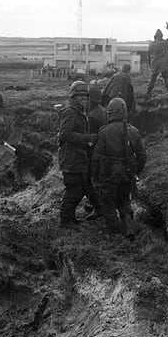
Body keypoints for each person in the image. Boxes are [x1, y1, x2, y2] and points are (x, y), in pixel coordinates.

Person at [91, 97, 146, 239]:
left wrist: (95, 176)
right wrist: (137, 171)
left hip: (108, 174)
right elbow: (141, 155)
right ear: (124, 113)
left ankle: (115, 233)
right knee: (124, 200)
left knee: (108, 203)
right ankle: (128, 228)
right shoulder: (133, 131)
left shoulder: (103, 131)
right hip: (127, 173)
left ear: (110, 113)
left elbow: (96, 157)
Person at [57, 80, 103, 229]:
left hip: (79, 157)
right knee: (74, 191)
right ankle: (65, 222)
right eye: (80, 96)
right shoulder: (70, 112)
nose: (83, 98)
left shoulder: (80, 112)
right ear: (73, 97)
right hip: (71, 159)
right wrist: (87, 139)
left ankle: (70, 218)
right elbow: (65, 135)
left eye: (85, 96)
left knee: (83, 187)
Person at [146, 22, 168, 98]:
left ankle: (148, 92)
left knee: (153, 78)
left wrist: (150, 64)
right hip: (163, 64)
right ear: (161, 36)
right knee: (166, 77)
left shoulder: (151, 44)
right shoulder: (163, 43)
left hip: (155, 63)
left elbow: (148, 55)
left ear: (155, 36)